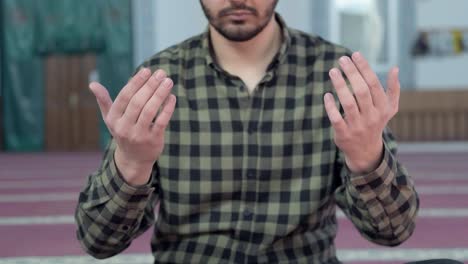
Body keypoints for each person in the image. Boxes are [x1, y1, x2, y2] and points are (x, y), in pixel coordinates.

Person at [75, 1, 461, 263]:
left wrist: (366, 156)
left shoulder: (337, 77)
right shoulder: (158, 81)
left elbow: (393, 231)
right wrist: (131, 164)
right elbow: (98, 241)